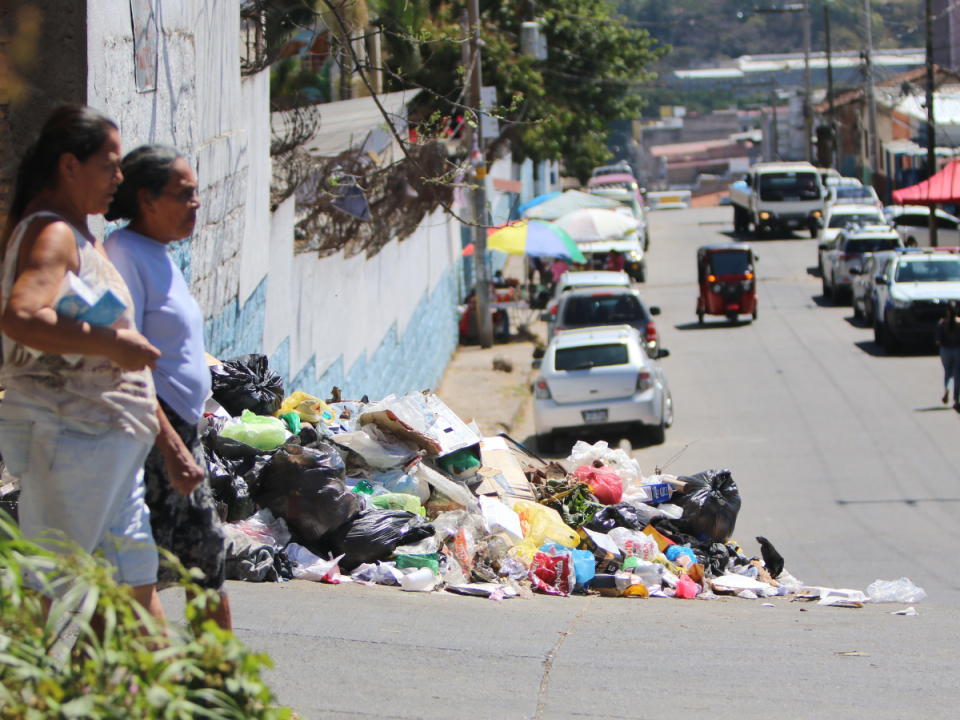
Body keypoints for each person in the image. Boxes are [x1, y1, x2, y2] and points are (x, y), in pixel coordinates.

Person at [0, 106, 165, 621]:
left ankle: (147, 698)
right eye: (109, 164)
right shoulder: (52, 234)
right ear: (69, 166)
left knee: (133, 591)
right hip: (71, 439)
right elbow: (22, 316)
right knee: (41, 590)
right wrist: (113, 346)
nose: (119, 177)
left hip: (108, 441)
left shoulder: (78, 233)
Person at [104, 145, 231, 631]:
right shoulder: (124, 255)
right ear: (147, 199)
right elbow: (123, 361)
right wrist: (172, 445)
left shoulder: (159, 254)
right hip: (154, 433)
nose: (196, 203)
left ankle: (214, 684)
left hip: (184, 430)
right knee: (144, 573)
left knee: (202, 558)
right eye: (185, 194)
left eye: (196, 192)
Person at [936, 301, 960, 410]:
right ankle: (956, 400)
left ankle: (946, 389)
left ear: (947, 311)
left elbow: (938, 341)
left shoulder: (941, 323)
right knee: (957, 375)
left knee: (948, 372)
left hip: (945, 351)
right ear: (957, 311)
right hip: (957, 351)